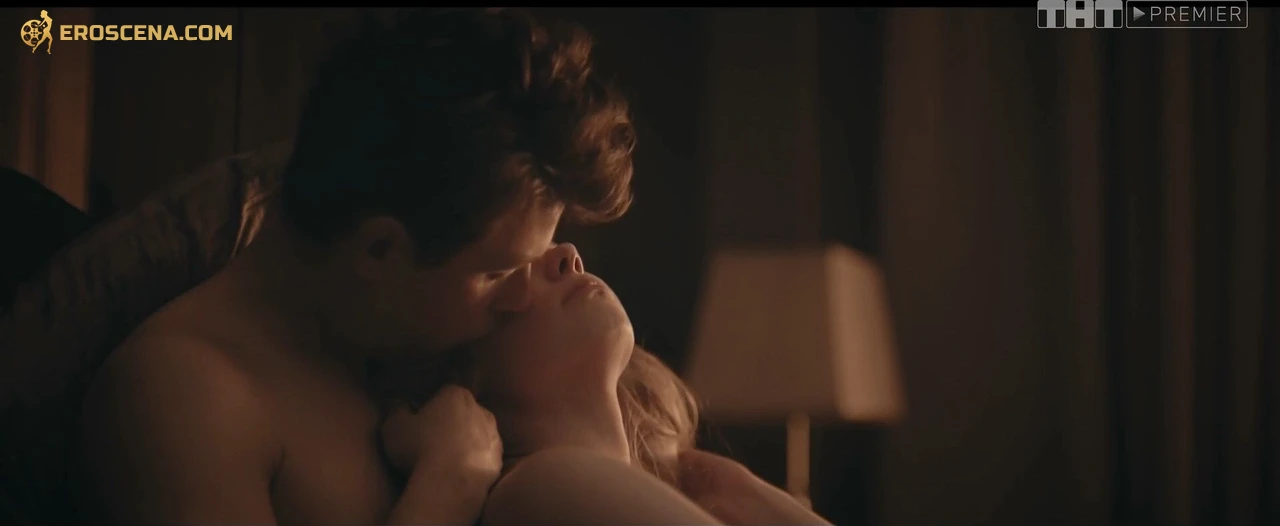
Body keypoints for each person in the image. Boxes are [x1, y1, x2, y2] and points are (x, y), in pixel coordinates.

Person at [71, 8, 635, 526]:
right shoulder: (184, 401)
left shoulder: (397, 346)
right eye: (496, 273)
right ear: (379, 250)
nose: (520, 295)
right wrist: (449, 484)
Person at [381, 243, 834, 525]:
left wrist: (740, 491)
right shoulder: (540, 486)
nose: (567, 254)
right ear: (460, 374)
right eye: (509, 268)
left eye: (555, 240)